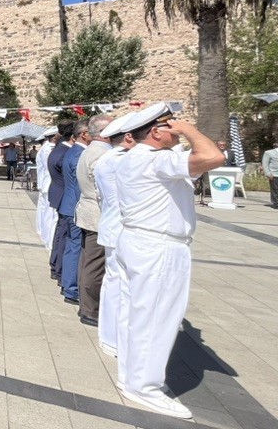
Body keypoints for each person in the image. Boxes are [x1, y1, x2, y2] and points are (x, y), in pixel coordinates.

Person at [114, 103, 224, 419]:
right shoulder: (156, 160)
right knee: (157, 317)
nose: (176, 130)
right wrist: (189, 129)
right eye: (169, 126)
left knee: (134, 313)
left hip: (136, 239)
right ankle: (144, 386)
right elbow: (214, 157)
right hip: (158, 246)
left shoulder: (131, 158)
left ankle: (130, 375)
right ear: (157, 132)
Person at [92, 113, 138, 358]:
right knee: (119, 285)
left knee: (116, 283)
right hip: (119, 227)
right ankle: (113, 338)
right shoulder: (118, 160)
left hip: (114, 225)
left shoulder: (109, 158)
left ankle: (111, 336)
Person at [74, 115, 114, 327]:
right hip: (97, 215)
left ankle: (87, 305)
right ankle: (90, 309)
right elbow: (104, 191)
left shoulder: (90, 150)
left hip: (89, 212)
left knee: (88, 262)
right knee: (95, 264)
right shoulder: (101, 155)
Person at [59, 120, 90, 305]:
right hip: (74, 207)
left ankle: (67, 284)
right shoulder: (79, 155)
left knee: (72, 247)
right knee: (76, 247)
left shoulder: (72, 151)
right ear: (84, 134)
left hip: (68, 205)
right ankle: (71, 288)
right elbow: (81, 186)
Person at [48, 120, 75, 282]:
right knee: (64, 235)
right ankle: (58, 268)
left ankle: (55, 265)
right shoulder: (64, 153)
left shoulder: (58, 149)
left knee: (60, 233)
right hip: (65, 196)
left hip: (59, 194)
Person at [35, 129, 59, 251]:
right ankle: (48, 239)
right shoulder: (49, 149)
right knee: (50, 215)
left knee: (45, 212)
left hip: (45, 183)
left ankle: (44, 234)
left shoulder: (44, 148)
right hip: (49, 183)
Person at [263, 140, 278, 208]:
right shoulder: (268, 153)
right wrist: (268, 173)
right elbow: (265, 164)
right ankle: (276, 203)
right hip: (274, 174)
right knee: (275, 190)